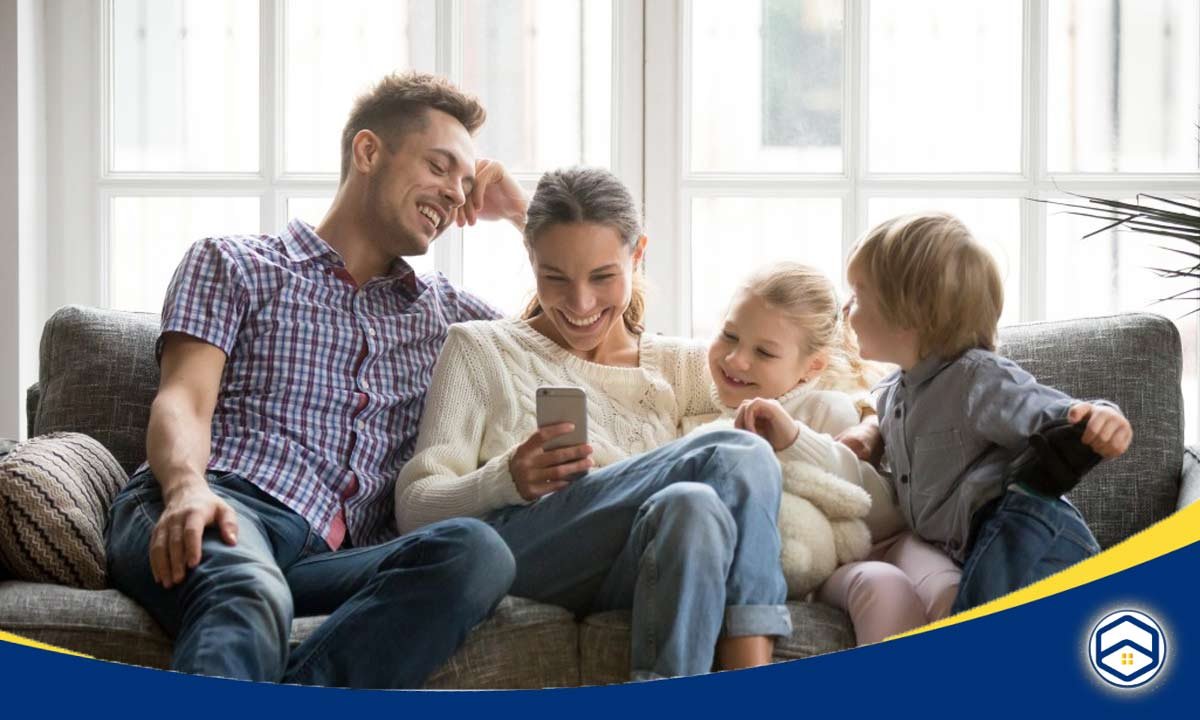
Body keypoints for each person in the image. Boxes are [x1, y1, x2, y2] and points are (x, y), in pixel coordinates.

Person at [104, 72, 530, 688]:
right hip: (222, 506)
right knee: (248, 592)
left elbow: (586, 333)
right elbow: (184, 401)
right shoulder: (234, 263)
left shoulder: (446, 314)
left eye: (466, 185)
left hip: (339, 560)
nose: (455, 197)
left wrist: (522, 213)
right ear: (368, 152)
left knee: (476, 552)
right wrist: (186, 488)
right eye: (440, 167)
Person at [396, 165, 791, 681]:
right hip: (526, 556)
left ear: (638, 254)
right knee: (735, 452)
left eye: (603, 277)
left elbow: (792, 415)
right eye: (554, 278)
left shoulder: (687, 367)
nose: (580, 304)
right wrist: (505, 479)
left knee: (692, 505)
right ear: (530, 259)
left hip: (633, 566)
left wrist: (870, 427)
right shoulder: (480, 349)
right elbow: (414, 508)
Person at [842, 212, 1131, 613]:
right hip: (981, 547)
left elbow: (1058, 414)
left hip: (1030, 532)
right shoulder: (892, 394)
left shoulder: (975, 377)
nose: (846, 308)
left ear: (906, 314)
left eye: (857, 295)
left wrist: (1103, 416)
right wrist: (869, 432)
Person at [681, 262, 959, 644]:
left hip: (886, 542)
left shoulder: (826, 409)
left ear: (811, 367)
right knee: (883, 586)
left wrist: (795, 441)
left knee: (949, 587)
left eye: (764, 352)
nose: (736, 360)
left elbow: (881, 514)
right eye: (729, 335)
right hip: (825, 568)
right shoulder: (700, 425)